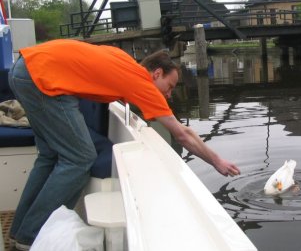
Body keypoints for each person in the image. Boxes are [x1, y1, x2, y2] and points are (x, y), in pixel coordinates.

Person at [8, 39, 240, 250]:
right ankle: (32, 235)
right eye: (169, 87)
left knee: (49, 156)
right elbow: (183, 135)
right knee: (80, 158)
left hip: (24, 68)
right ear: (156, 74)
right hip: (40, 80)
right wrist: (217, 161)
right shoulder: (141, 83)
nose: (169, 95)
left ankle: (19, 231)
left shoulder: (125, 62)